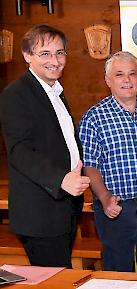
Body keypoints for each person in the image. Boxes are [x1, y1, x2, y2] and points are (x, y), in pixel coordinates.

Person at [0, 24, 89, 268]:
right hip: (40, 212)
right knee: (56, 281)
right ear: (27, 56)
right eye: (45, 54)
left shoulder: (56, 91)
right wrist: (61, 178)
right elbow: (19, 151)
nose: (55, 60)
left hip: (65, 207)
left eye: (60, 53)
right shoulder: (15, 94)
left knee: (61, 276)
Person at [79, 51, 137, 273]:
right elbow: (89, 165)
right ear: (108, 80)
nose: (127, 80)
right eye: (119, 74)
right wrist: (104, 198)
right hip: (117, 208)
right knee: (119, 275)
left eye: (132, 73)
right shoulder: (94, 117)